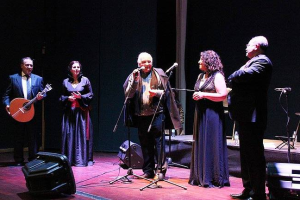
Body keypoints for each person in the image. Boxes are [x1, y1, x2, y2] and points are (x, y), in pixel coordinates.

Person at [123, 52, 182, 179]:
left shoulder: (159, 73)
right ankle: (148, 170)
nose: (147, 64)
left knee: (159, 143)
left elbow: (168, 93)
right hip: (141, 115)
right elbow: (128, 95)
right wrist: (134, 82)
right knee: (145, 143)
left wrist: (157, 93)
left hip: (157, 114)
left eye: (149, 61)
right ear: (139, 64)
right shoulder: (134, 75)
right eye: (144, 62)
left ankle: (160, 170)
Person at [228, 36, 273, 200]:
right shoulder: (254, 60)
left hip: (254, 115)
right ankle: (248, 189)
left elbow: (242, 75)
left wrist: (234, 76)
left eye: (248, 44)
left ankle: (258, 192)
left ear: (258, 46)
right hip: (246, 115)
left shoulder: (262, 61)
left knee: (254, 155)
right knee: (246, 155)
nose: (246, 47)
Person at [188, 50, 230, 188]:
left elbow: (223, 95)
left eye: (201, 59)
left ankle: (213, 177)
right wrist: (197, 95)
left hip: (212, 115)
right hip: (200, 113)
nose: (199, 62)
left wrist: (203, 95)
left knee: (211, 143)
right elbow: (199, 92)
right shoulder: (201, 76)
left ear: (208, 62)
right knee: (201, 142)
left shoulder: (217, 76)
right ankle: (200, 176)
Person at [2, 57, 44, 166]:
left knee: (32, 137)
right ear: (21, 65)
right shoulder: (13, 78)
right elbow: (6, 95)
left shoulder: (38, 79)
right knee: (18, 137)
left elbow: (43, 93)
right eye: (27, 65)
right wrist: (7, 104)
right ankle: (19, 160)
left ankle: (33, 159)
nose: (29, 67)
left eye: (31, 65)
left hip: (32, 113)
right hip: (19, 112)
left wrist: (41, 97)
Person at [60, 61, 94, 167]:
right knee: (69, 135)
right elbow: (61, 96)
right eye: (74, 67)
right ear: (70, 69)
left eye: (78, 67)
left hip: (81, 113)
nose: (76, 69)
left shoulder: (85, 80)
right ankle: (69, 159)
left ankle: (82, 160)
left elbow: (91, 94)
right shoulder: (65, 82)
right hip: (70, 113)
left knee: (82, 135)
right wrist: (67, 98)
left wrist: (81, 97)